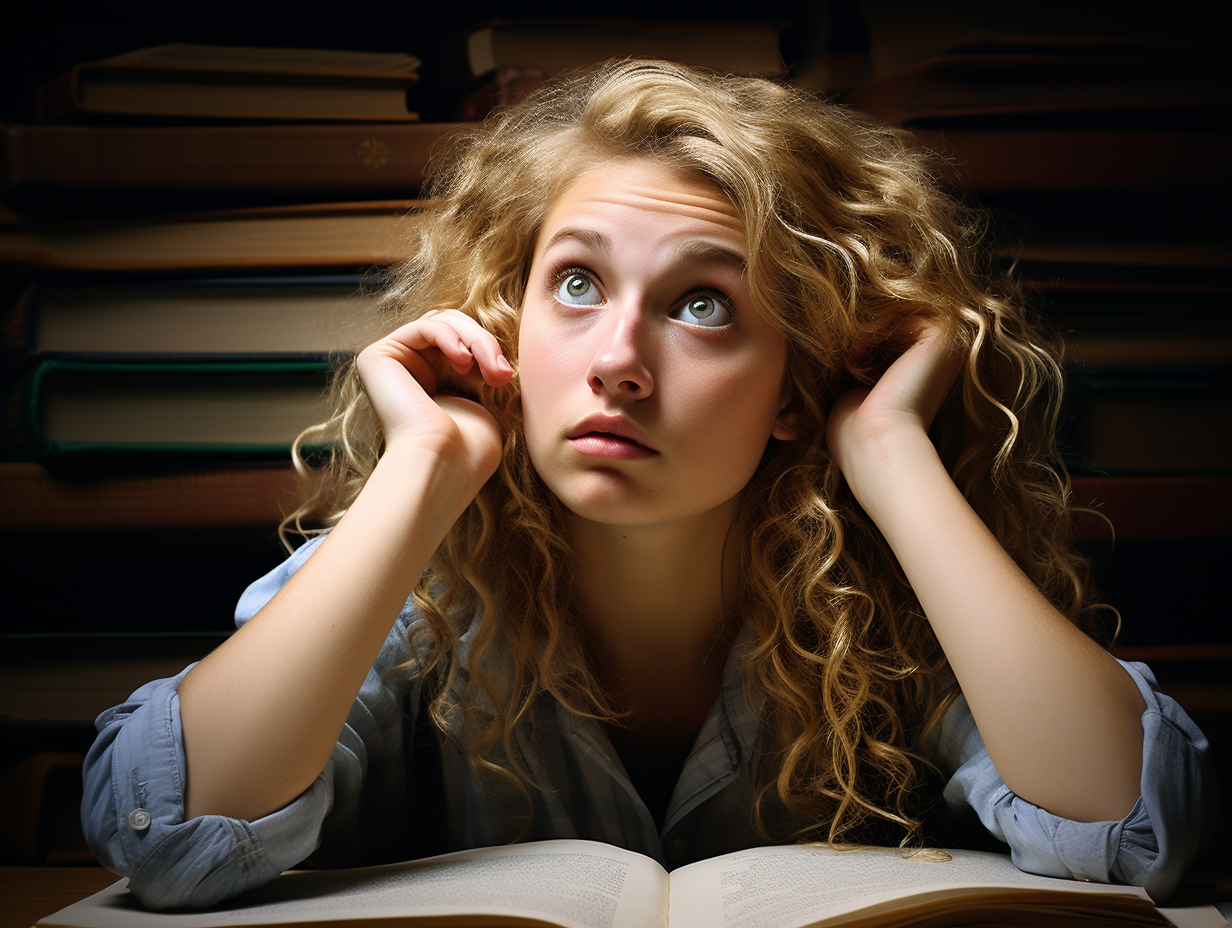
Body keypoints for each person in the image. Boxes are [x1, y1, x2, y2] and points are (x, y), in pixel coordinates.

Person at [81, 59, 1214, 909]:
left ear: (794, 383)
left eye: (703, 303)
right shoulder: (427, 587)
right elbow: (166, 835)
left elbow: (1138, 825)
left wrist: (888, 454)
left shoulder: (894, 611)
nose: (617, 357)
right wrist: (421, 474)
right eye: (574, 283)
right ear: (508, 319)